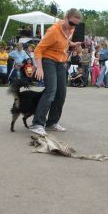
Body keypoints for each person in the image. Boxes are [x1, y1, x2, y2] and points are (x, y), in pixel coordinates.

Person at [29, 8, 83, 136]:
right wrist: (40, 67)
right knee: (51, 91)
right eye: (71, 23)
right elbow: (38, 49)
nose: (73, 27)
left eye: (76, 25)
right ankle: (37, 123)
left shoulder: (71, 29)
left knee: (61, 93)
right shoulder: (53, 31)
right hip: (48, 61)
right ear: (65, 18)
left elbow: (66, 41)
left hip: (61, 62)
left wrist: (74, 44)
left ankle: (52, 123)